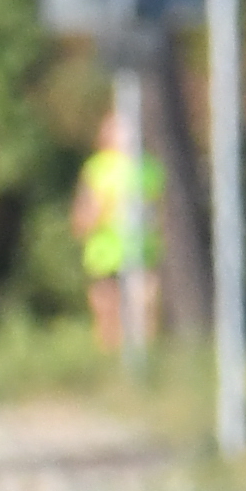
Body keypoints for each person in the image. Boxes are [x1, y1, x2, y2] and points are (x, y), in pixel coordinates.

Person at [73, 84, 163, 350]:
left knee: (144, 308)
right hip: (106, 253)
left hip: (141, 251)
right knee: (108, 313)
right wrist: (99, 213)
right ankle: (112, 365)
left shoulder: (149, 169)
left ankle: (145, 364)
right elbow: (82, 217)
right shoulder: (97, 169)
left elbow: (161, 212)